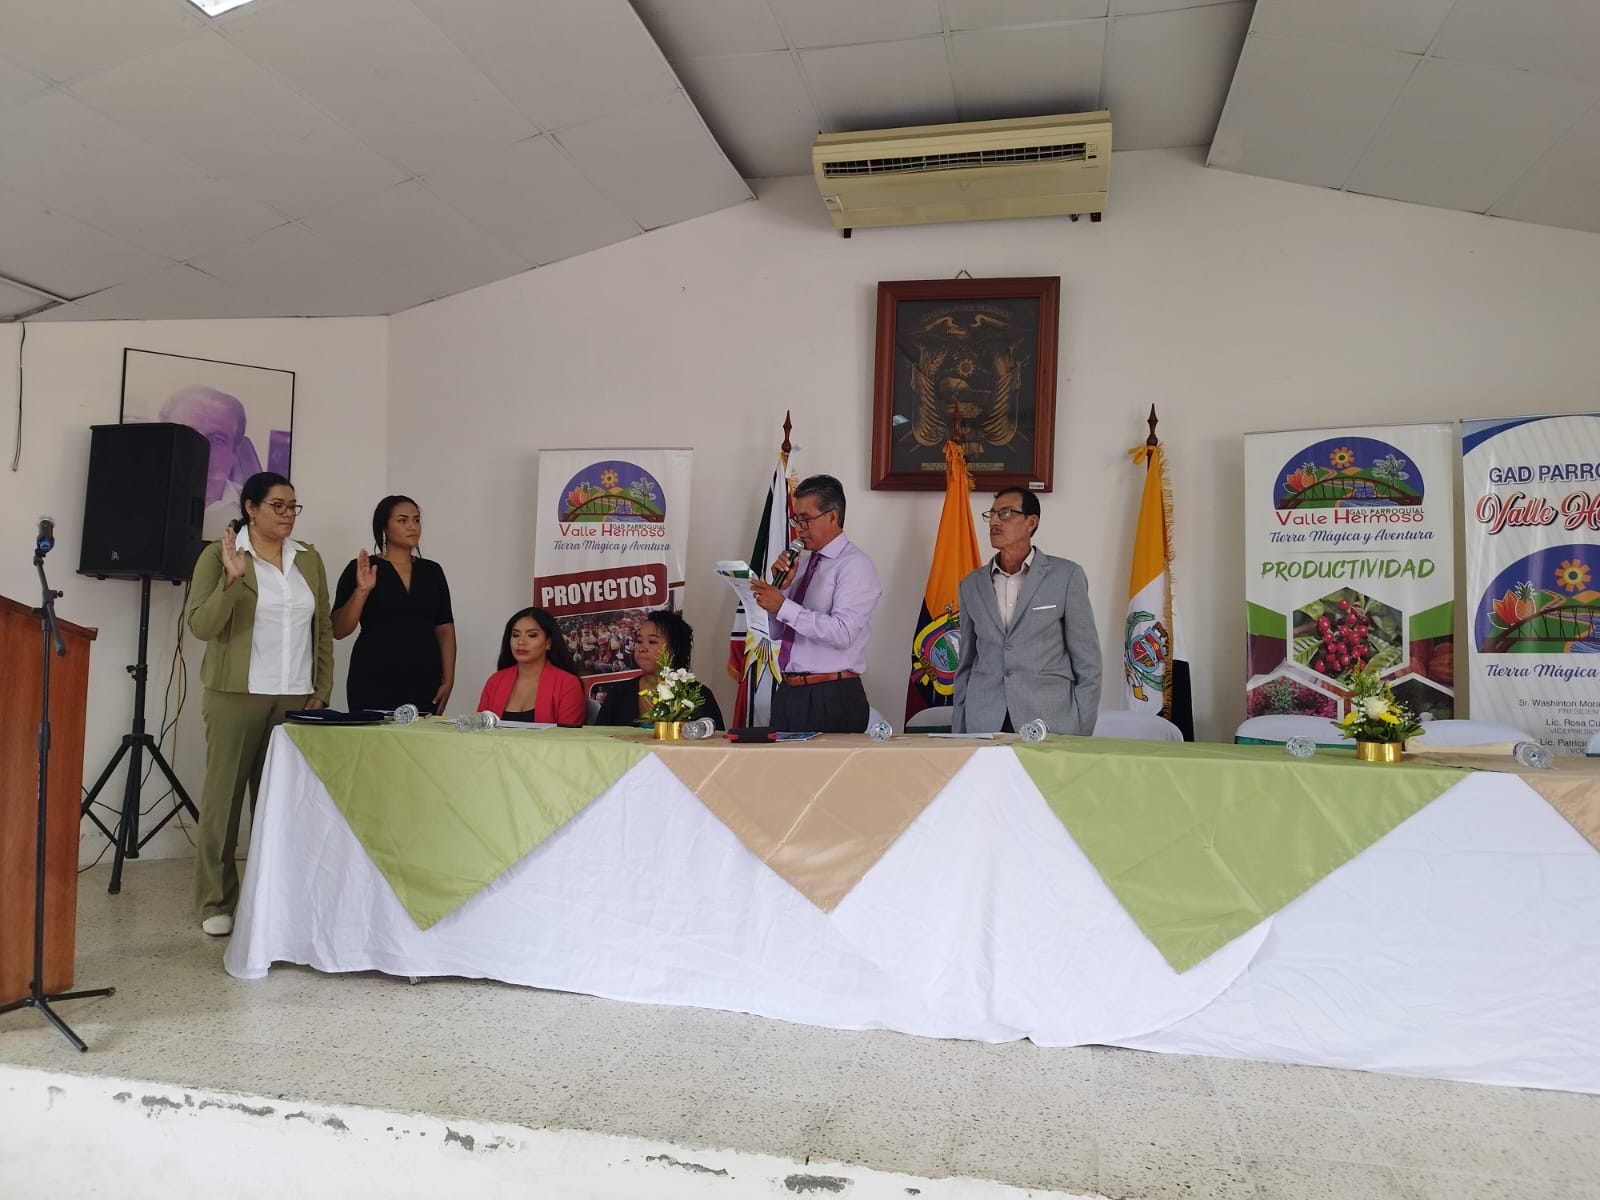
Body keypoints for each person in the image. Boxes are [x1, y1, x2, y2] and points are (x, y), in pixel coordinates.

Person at [187, 472, 333, 937]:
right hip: (237, 693)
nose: (288, 514)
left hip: (294, 695)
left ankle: (277, 900)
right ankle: (215, 900)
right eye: (278, 506)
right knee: (224, 800)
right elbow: (201, 626)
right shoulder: (220, 555)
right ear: (251, 508)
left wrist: (322, 686)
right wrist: (231, 582)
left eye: (293, 506)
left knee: (283, 801)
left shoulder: (308, 558)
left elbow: (322, 628)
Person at [952, 487, 1101, 736]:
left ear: (1031, 523)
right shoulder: (970, 584)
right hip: (985, 720)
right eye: (992, 514)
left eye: (1005, 513)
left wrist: (1081, 731)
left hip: (1049, 720)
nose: (995, 521)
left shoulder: (1067, 576)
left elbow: (1088, 663)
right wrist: (960, 728)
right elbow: (966, 664)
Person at [748, 474, 882, 733]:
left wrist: (783, 606)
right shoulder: (802, 564)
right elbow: (777, 632)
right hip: (789, 692)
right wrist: (781, 591)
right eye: (796, 520)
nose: (799, 528)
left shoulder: (855, 565)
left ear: (832, 517)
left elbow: (843, 633)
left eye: (806, 519)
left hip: (831, 695)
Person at [331, 496, 456, 714]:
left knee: (421, 735)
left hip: (425, 677)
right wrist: (362, 591)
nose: (412, 527)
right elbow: (338, 630)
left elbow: (445, 629)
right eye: (402, 520)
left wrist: (449, 678)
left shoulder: (432, 571)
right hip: (373, 677)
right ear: (384, 528)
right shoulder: (362, 567)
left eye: (416, 520)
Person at [159, 386, 262, 541]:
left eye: (217, 439)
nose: (198, 447)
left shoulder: (256, 512)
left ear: (234, 451)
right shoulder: (135, 497)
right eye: (187, 433)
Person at [593, 609, 725, 729]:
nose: (642, 648)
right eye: (639, 641)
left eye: (652, 642)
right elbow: (599, 740)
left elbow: (716, 743)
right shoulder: (618, 693)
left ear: (675, 649)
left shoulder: (698, 695)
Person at [477, 607, 585, 725]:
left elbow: (567, 736)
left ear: (548, 643)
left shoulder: (568, 684)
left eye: (532, 635)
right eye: (515, 635)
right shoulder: (495, 681)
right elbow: (480, 729)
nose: (521, 642)